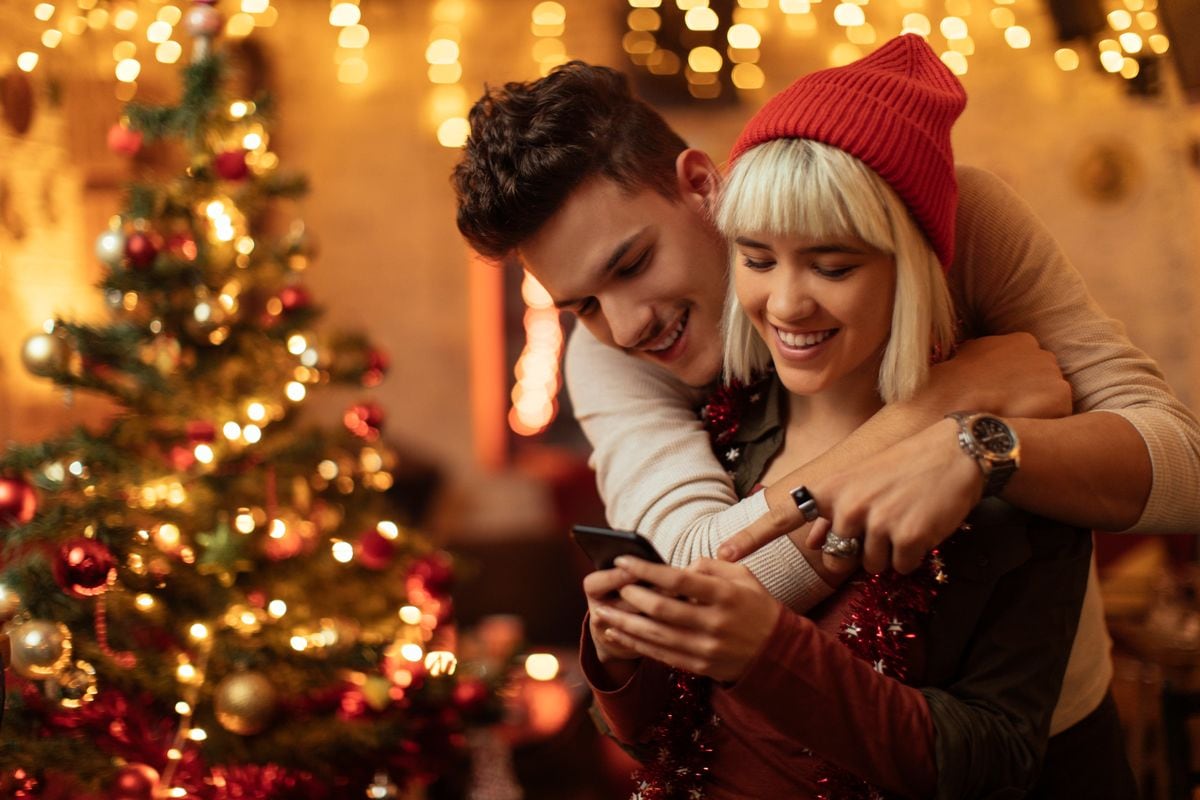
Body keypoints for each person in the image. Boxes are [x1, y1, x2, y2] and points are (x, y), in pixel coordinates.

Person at [452, 33, 1198, 793]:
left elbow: (1182, 463)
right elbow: (697, 579)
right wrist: (942, 415)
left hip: (1044, 739)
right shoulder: (605, 352)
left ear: (702, 186)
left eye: (633, 263)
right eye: (582, 305)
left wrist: (985, 451)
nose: (626, 324)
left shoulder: (954, 219)